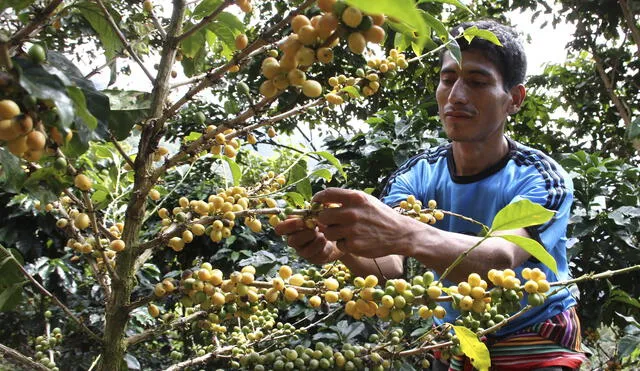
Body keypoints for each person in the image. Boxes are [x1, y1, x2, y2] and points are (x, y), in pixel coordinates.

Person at [275, 19, 586, 371]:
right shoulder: (416, 175)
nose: (456, 96)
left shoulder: (539, 177)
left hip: (534, 336)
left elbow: (501, 260)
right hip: (456, 339)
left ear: (514, 99)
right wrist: (340, 247)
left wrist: (406, 232)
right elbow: (390, 267)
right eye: (448, 79)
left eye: (478, 81)